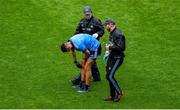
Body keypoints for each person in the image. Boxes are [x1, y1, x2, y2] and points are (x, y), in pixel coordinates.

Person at [71, 6, 104, 85]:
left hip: (93, 45)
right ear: (84, 14)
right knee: (90, 61)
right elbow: (77, 32)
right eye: (86, 15)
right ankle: (97, 77)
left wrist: (97, 34)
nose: (87, 16)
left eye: (88, 14)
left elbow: (102, 30)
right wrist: (73, 39)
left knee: (86, 62)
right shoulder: (82, 22)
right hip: (84, 45)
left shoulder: (96, 21)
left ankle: (78, 79)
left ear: (91, 13)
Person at [103, 19, 125, 102]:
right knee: (108, 76)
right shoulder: (112, 33)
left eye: (106, 25)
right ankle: (112, 96)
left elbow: (121, 47)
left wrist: (110, 47)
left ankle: (119, 93)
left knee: (110, 76)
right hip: (112, 57)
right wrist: (108, 49)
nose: (105, 27)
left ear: (111, 24)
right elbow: (113, 44)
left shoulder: (118, 34)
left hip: (117, 58)